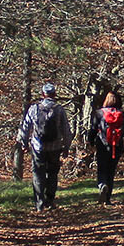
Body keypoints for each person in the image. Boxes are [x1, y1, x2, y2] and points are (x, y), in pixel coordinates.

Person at [16, 82, 71, 212]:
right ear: (55, 94)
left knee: (38, 174)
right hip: (55, 147)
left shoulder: (34, 108)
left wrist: (23, 143)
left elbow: (25, 127)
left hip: (37, 147)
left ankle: (39, 204)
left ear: (43, 94)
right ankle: (50, 201)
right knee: (52, 173)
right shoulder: (59, 109)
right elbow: (66, 130)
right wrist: (66, 147)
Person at [91, 91, 124, 204]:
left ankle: (102, 185)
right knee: (111, 171)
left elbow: (93, 129)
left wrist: (90, 141)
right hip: (116, 146)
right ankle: (108, 199)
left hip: (102, 145)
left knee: (102, 168)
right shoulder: (122, 114)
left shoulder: (99, 113)